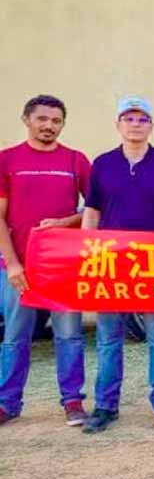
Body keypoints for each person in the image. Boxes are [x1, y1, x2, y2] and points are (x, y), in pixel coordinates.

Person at [81, 97, 154, 433]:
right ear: (118, 125)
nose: (135, 124)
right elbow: (93, 211)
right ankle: (105, 405)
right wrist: (84, 250)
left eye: (142, 119)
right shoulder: (102, 164)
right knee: (109, 338)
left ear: (151, 126)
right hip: (111, 264)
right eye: (129, 118)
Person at [0, 95, 90, 427]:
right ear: (27, 120)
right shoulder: (7, 160)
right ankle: (8, 403)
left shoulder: (75, 160)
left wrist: (66, 222)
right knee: (15, 337)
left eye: (56, 121)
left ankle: (72, 400)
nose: (48, 126)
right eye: (42, 119)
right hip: (18, 267)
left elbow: (94, 209)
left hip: (63, 268)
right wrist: (11, 263)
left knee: (69, 336)